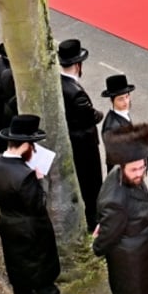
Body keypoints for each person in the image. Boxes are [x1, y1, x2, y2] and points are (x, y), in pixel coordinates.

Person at [0, 114, 77, 294]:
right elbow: (38, 204)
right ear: (25, 146)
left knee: (15, 264)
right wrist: (40, 180)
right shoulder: (25, 177)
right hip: (31, 228)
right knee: (40, 267)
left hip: (7, 223)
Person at [93, 123, 148, 294]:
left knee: (123, 290)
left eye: (142, 167)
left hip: (134, 252)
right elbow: (108, 235)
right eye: (134, 170)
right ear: (122, 166)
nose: (140, 173)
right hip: (134, 260)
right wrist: (98, 245)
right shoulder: (116, 198)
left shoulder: (122, 176)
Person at [58, 38, 104, 230]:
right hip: (84, 144)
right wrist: (99, 114)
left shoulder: (60, 83)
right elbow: (91, 115)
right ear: (78, 65)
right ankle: (94, 223)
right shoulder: (75, 92)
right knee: (92, 184)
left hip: (72, 140)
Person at [100, 74, 135, 149]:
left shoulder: (123, 112)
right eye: (120, 99)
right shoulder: (111, 128)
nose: (126, 102)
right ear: (111, 100)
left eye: (127, 96)